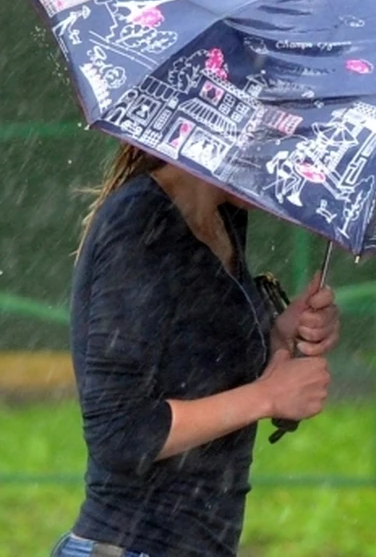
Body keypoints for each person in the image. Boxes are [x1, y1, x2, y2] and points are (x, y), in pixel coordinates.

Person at [51, 143, 340, 557]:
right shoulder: (140, 222)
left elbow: (199, 372)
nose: (291, 169)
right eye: (283, 145)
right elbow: (120, 433)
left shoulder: (224, 215)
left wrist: (280, 339)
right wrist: (267, 396)